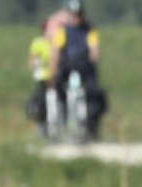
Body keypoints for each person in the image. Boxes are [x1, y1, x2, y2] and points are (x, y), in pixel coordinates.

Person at [47, 1, 104, 138]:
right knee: (58, 88)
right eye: (74, 15)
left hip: (84, 65)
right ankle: (61, 119)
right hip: (68, 65)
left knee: (93, 94)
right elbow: (56, 52)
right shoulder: (63, 31)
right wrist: (53, 71)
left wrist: (94, 55)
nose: (76, 18)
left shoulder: (89, 30)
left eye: (78, 15)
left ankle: (91, 125)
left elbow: (94, 48)